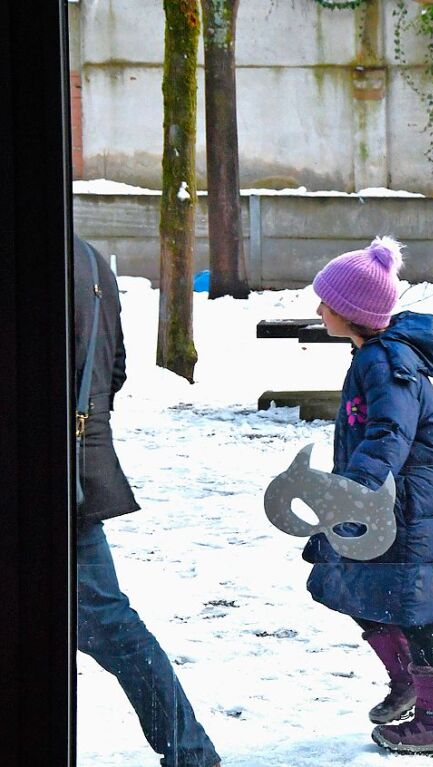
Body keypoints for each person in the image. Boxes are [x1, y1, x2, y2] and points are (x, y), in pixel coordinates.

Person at [302, 235, 433, 757]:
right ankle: (409, 680)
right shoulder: (373, 354)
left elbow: (389, 432)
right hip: (383, 498)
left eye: (326, 301)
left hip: (404, 505)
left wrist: (356, 489)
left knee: (412, 605)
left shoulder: (384, 362)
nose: (318, 307)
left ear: (350, 313)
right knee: (351, 583)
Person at [74, 235, 220, 767]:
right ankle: (189, 751)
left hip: (56, 477)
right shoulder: (89, 259)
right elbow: (114, 373)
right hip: (81, 470)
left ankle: (191, 752)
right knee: (112, 626)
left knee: (108, 624)